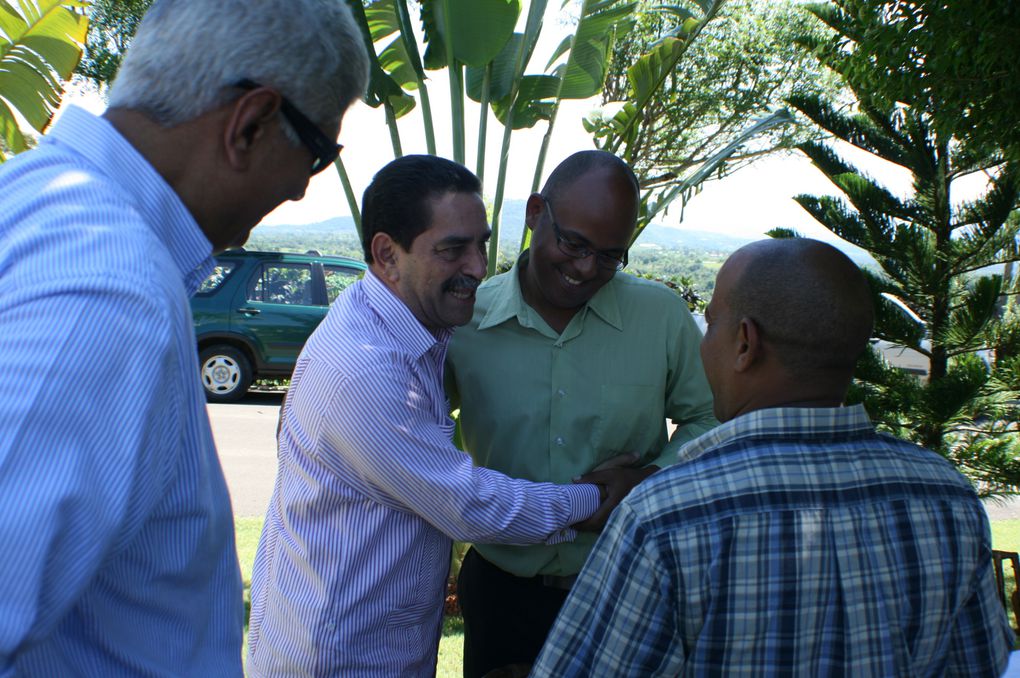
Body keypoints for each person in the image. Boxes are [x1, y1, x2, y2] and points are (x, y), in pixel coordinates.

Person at [0, 1, 367, 675]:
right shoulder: (107, 288)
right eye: (317, 154)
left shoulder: (30, 198)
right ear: (250, 124)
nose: (296, 191)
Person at [531, 238, 1015, 676]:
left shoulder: (666, 517)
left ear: (745, 343)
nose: (704, 341)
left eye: (713, 322)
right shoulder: (948, 497)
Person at [246, 155, 633, 678]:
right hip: (341, 655)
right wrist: (602, 498)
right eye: (452, 249)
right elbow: (467, 504)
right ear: (387, 254)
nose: (477, 267)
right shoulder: (366, 369)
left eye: (480, 243)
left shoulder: (411, 332)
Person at [446, 150, 718, 676]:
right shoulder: (464, 319)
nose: (586, 268)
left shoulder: (660, 316)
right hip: (501, 589)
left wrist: (649, 479)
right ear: (534, 214)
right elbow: (416, 428)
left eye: (611, 255)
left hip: (625, 588)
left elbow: (708, 418)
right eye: (573, 243)